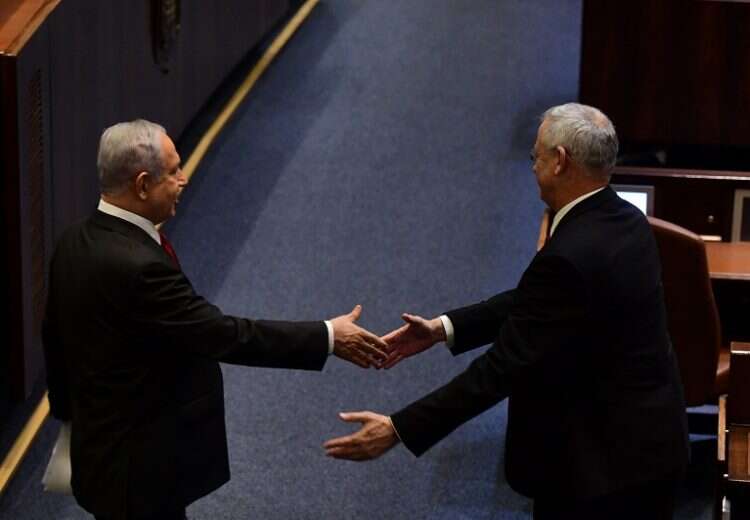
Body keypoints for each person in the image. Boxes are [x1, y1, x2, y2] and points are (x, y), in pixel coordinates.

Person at [324, 103, 689, 519]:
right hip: (651, 448)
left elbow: (500, 370)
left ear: (560, 162)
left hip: (602, 473)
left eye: (536, 156)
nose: (533, 167)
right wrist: (443, 329)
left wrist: (398, 428)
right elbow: (538, 302)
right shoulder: (626, 220)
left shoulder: (571, 254)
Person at [42, 119, 387, 520]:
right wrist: (328, 336)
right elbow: (222, 335)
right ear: (141, 185)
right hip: (139, 473)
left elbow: (55, 339)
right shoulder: (138, 267)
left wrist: (71, 420)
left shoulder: (73, 241)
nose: (184, 179)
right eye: (173, 172)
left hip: (99, 452)